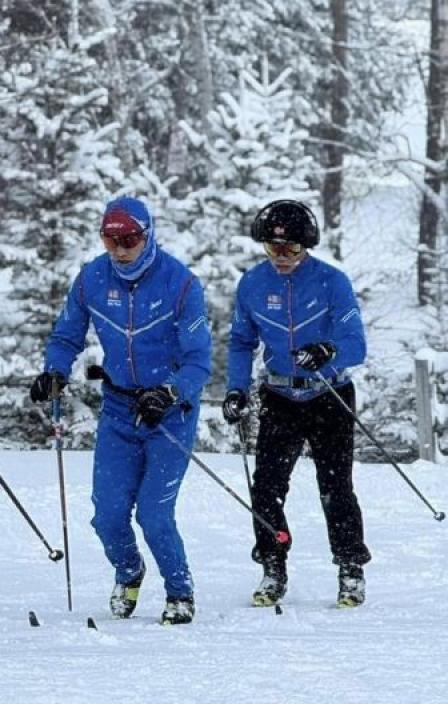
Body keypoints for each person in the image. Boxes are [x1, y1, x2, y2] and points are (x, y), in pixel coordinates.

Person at [30, 196, 211, 625]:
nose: (120, 249)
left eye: (128, 239)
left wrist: (170, 392)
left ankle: (179, 591)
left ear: (147, 236)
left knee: (153, 513)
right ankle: (129, 571)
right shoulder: (92, 278)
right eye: (110, 240)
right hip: (118, 410)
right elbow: (67, 334)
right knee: (107, 514)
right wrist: (54, 371)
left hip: (169, 414)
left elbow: (199, 359)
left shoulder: (181, 283)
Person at [222, 199, 369, 608]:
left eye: (291, 249)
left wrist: (328, 350)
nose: (282, 257)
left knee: (336, 487)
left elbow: (356, 344)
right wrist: (236, 389)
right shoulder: (252, 284)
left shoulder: (332, 282)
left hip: (329, 393)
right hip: (280, 395)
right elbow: (240, 342)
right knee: (266, 487)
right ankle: (272, 564)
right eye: (273, 248)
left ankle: (350, 567)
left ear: (307, 246)